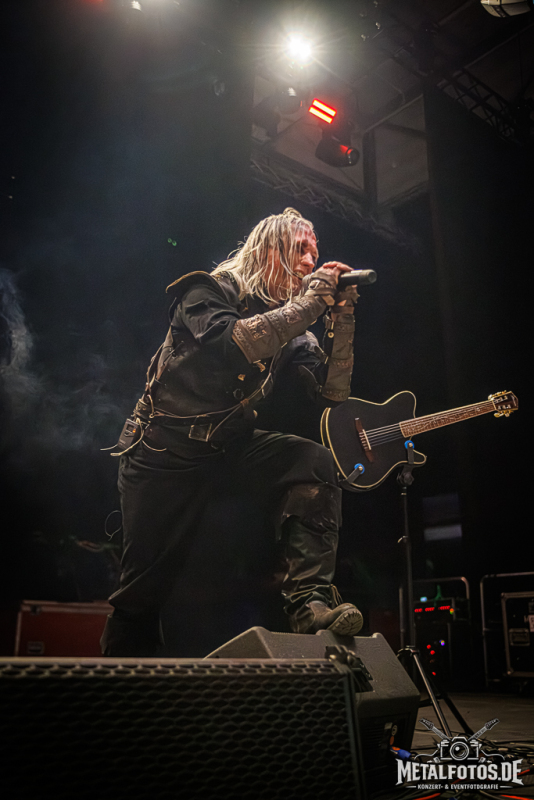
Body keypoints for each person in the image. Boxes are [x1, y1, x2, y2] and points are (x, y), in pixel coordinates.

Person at [101, 208, 363, 657]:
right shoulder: (206, 291)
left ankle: (310, 603)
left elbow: (331, 395)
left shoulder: (293, 328)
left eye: (314, 252)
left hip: (229, 449)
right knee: (142, 591)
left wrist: (343, 322)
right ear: (269, 249)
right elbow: (237, 343)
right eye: (301, 248)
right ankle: (117, 685)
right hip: (164, 453)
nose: (310, 260)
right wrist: (312, 302)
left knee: (313, 460)